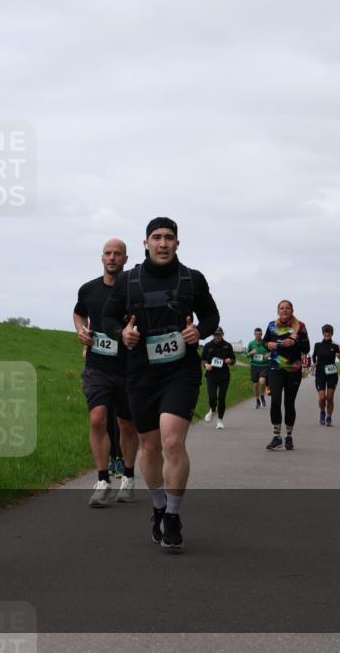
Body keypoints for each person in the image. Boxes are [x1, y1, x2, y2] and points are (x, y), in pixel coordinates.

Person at [103, 217, 220, 552]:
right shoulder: (128, 281)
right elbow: (108, 318)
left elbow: (211, 316)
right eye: (157, 237)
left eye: (169, 237)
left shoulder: (192, 279)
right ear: (146, 243)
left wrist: (199, 331)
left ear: (177, 243)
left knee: (172, 441)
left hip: (181, 372)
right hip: (141, 373)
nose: (163, 243)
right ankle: (157, 507)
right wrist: (122, 333)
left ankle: (172, 515)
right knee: (151, 448)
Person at [73, 239, 139, 506]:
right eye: (108, 253)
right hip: (97, 366)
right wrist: (81, 331)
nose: (112, 257)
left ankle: (128, 476)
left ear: (125, 259)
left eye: (117, 254)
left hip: (128, 367)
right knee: (97, 419)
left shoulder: (134, 292)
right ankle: (103, 480)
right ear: (102, 258)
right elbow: (79, 313)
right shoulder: (88, 289)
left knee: (126, 424)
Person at [263, 300, 310, 451]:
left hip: (293, 368)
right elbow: (264, 342)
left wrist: (294, 343)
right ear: (278, 311)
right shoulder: (272, 325)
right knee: (275, 400)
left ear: (292, 310)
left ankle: (289, 436)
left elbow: (306, 347)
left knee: (289, 403)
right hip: (275, 367)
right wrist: (268, 345)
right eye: (282, 308)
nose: (284, 310)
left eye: (287, 308)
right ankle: (277, 436)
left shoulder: (300, 326)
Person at [201, 327, 236, 430]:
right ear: (213, 335)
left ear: (222, 334)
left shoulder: (227, 345)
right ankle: (212, 409)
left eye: (219, 334)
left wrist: (230, 361)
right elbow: (203, 359)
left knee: (221, 398)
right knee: (212, 397)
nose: (217, 336)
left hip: (224, 376)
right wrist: (206, 365)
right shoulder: (208, 345)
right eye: (215, 334)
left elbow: (233, 360)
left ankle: (220, 420)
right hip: (211, 375)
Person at [311, 324, 340, 426]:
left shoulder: (336, 346)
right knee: (322, 397)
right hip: (320, 373)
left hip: (332, 373)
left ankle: (329, 417)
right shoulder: (317, 345)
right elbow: (313, 356)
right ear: (323, 333)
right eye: (325, 332)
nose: (327, 334)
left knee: (330, 398)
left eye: (329, 332)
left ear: (332, 333)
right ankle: (322, 412)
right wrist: (314, 363)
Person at [246, 327, 269, 409]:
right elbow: (247, 355)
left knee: (262, 382)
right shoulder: (251, 344)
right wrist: (251, 353)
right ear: (254, 334)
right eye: (256, 334)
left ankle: (262, 395)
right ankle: (257, 400)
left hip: (264, 365)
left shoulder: (265, 343)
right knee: (255, 385)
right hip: (254, 366)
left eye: (259, 334)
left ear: (261, 334)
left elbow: (271, 352)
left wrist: (268, 355)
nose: (258, 336)